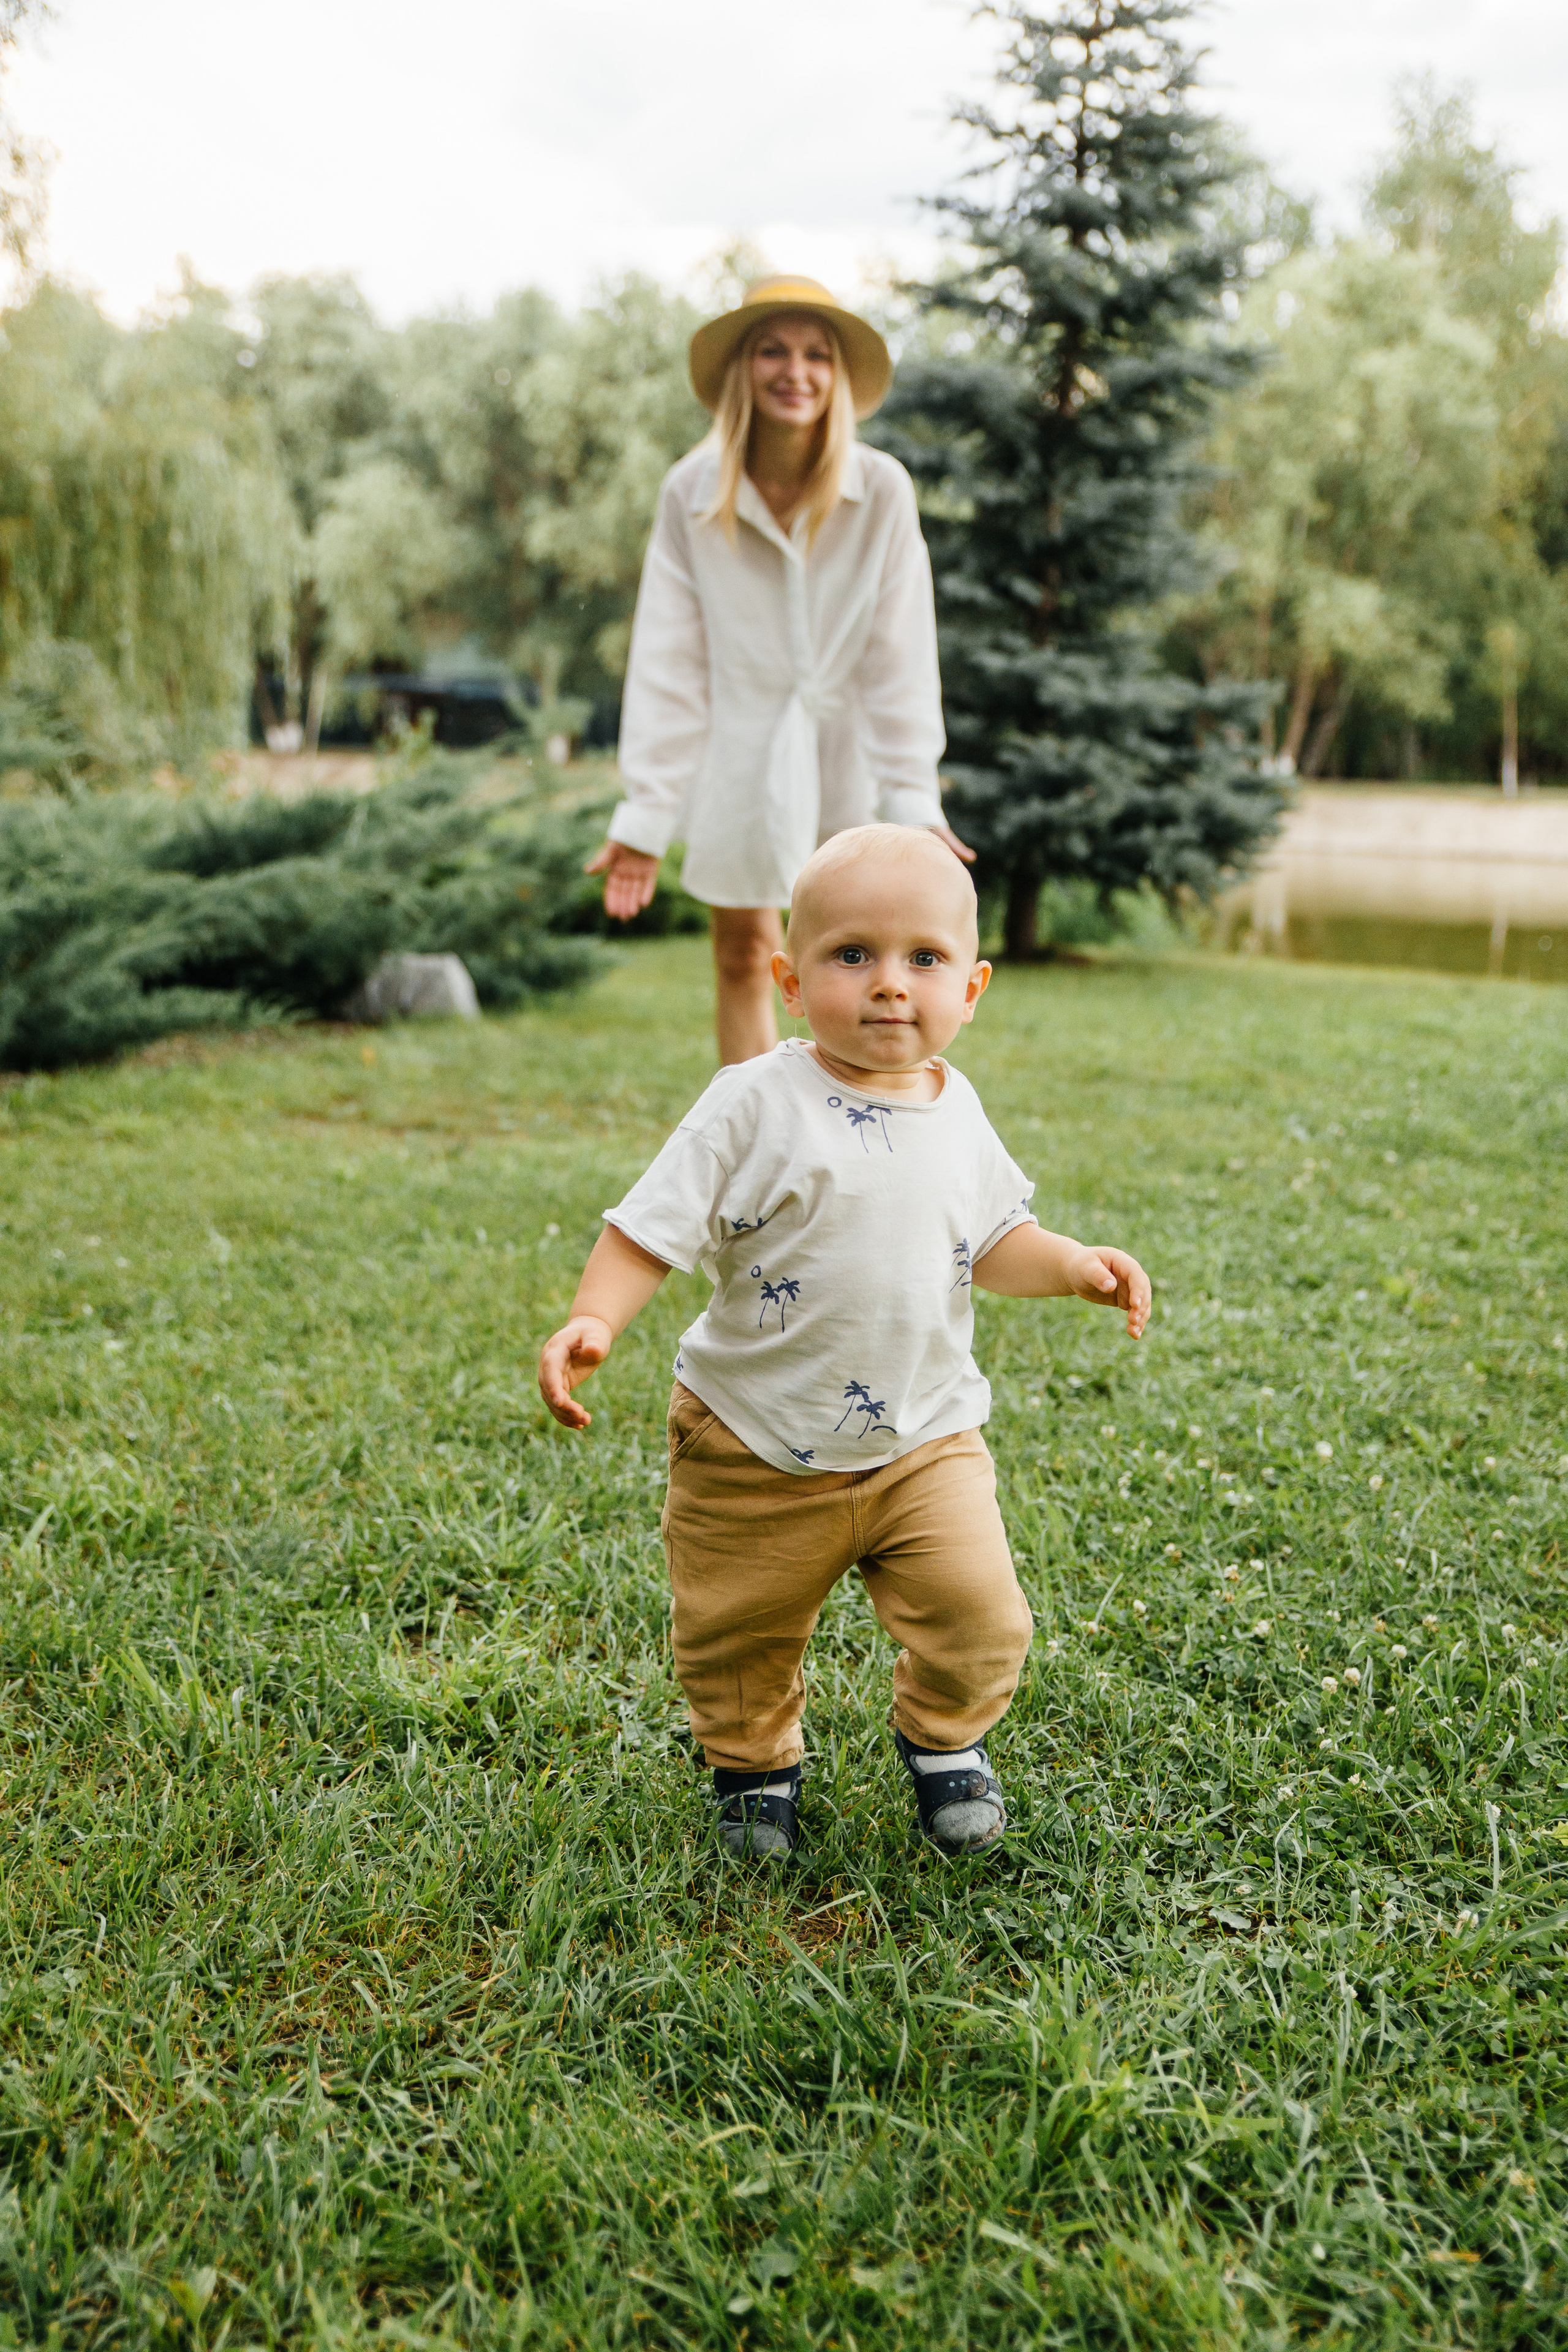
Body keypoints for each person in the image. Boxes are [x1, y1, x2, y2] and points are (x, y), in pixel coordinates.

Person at [538, 826, 1152, 1861]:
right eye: (851, 955)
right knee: (738, 1632)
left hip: (925, 1440)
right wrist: (596, 1318)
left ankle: (946, 1740)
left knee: (983, 1615)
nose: (889, 987)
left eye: (924, 959)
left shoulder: (959, 1113)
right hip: (753, 1443)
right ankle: (754, 1769)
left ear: (973, 986)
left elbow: (995, 1240)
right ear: (788, 977)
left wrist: (1074, 1265)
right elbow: (649, 1228)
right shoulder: (752, 1104)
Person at [586, 274, 972, 1066]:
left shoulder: (882, 490)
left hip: (851, 756)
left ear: (836, 376)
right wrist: (646, 813)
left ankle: (866, 1154)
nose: (794, 372)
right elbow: (670, 658)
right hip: (741, 748)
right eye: (772, 351)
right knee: (744, 951)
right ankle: (754, 1163)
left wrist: (911, 795)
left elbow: (900, 649)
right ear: (742, 371)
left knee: (869, 962)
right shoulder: (691, 493)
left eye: (814, 355)